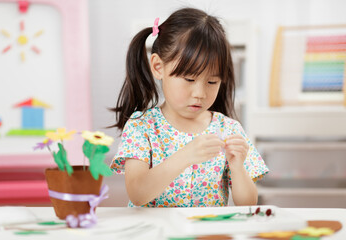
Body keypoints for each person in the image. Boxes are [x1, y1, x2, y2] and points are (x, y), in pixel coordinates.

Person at [110, 7, 269, 207]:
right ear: (159, 67)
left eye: (212, 82)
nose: (200, 93)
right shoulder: (142, 127)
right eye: (189, 79)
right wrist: (186, 156)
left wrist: (238, 167)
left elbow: (247, 204)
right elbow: (137, 193)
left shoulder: (228, 129)